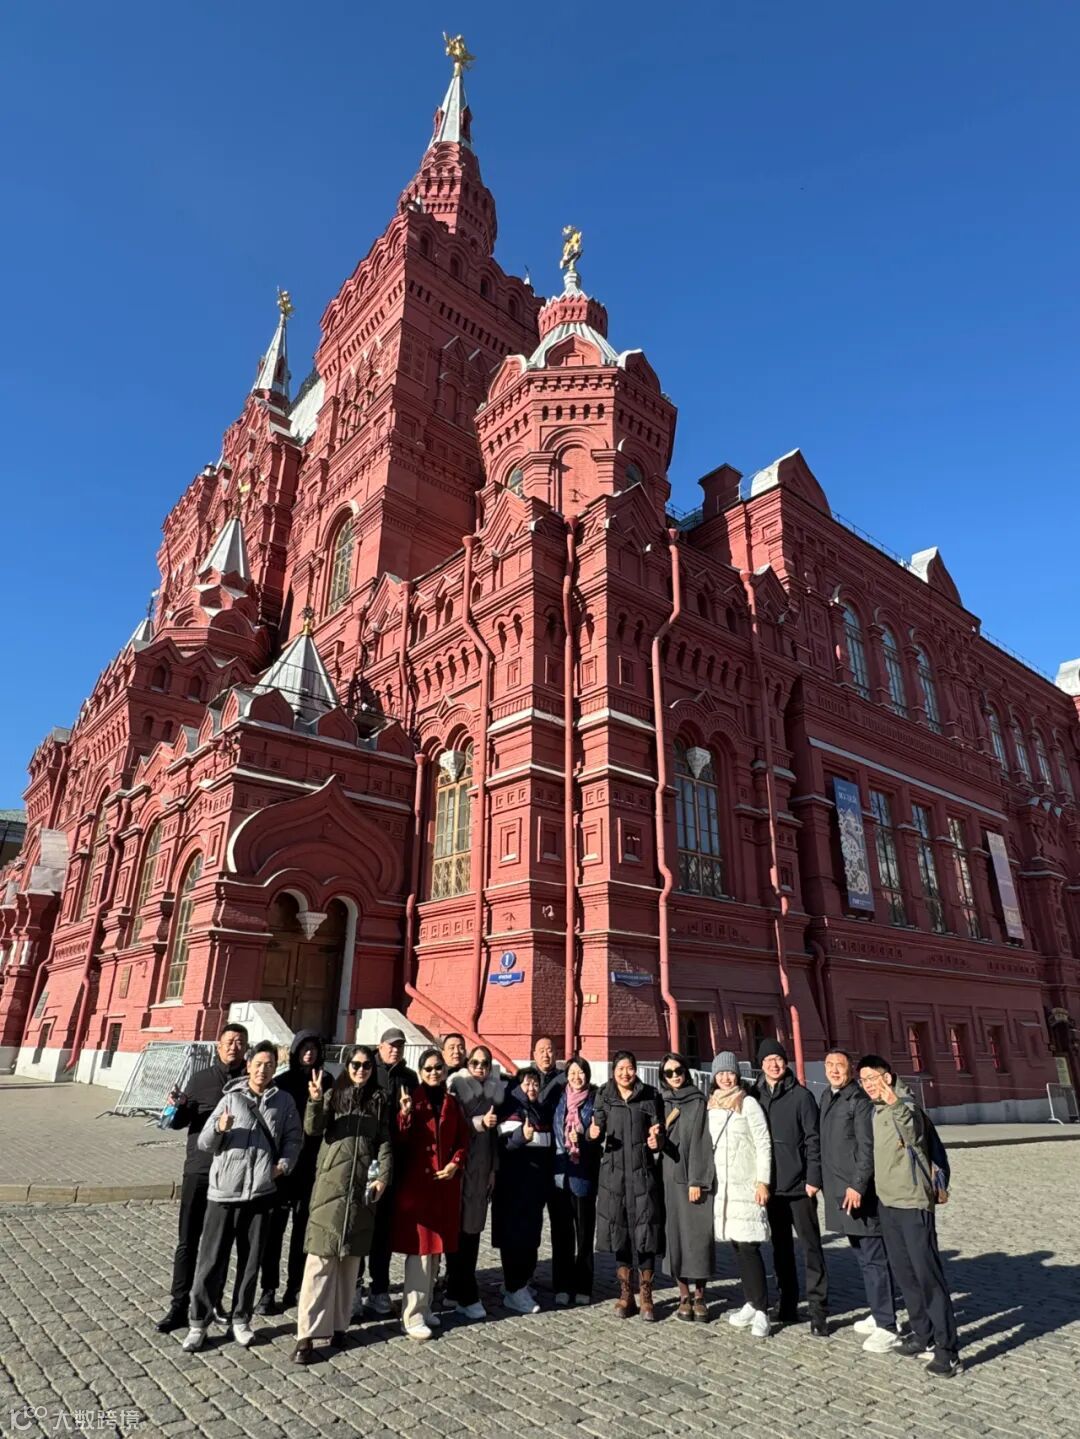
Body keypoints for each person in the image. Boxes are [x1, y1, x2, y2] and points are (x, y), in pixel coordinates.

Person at [181, 1040, 302, 1352]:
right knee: (210, 1261)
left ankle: (241, 1318)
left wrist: (283, 1166)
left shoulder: (283, 1101)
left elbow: (293, 1138)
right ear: (248, 1066)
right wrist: (219, 1128)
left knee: (251, 1262)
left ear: (276, 1068)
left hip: (261, 1192)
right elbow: (205, 1143)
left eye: (269, 1065)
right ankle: (198, 1322)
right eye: (258, 1064)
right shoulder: (231, 1099)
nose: (263, 1070)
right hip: (224, 1192)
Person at [858, 1055, 961, 1378]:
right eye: (863, 1080)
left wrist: (894, 1102)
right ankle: (922, 1333)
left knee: (927, 1275)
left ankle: (947, 1350)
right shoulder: (876, 1110)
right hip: (888, 1203)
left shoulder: (906, 1104)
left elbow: (913, 1131)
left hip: (913, 1202)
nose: (868, 1084)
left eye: (872, 1077)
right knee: (905, 1274)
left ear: (887, 1077)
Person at [292, 1045, 391, 1364]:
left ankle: (339, 1326)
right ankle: (306, 1335)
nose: (361, 1070)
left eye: (367, 1065)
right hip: (331, 1186)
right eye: (356, 1064)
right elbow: (313, 1128)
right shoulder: (333, 1095)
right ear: (347, 1066)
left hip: (362, 1188)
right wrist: (315, 1100)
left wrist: (384, 1176)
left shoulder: (380, 1100)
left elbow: (385, 1141)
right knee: (320, 1262)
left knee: (350, 1263)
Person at [157, 1021, 249, 1332]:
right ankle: (178, 1304)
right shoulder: (200, 1079)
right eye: (230, 1041)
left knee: (221, 1243)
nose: (234, 1046)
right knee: (188, 1240)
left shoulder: (250, 1081)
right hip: (199, 1169)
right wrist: (178, 1106)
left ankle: (213, 1301)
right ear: (218, 1044)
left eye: (240, 1042)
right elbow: (178, 1122)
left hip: (231, 1174)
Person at [819, 1049, 900, 1354]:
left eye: (839, 1065)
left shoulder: (859, 1100)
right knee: (863, 1255)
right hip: (841, 1190)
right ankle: (879, 1312)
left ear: (850, 1069)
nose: (834, 1070)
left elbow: (868, 1148)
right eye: (829, 1065)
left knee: (873, 1257)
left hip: (857, 1193)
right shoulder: (829, 1097)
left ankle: (887, 1325)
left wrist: (858, 1185)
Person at [391, 1046, 469, 1340]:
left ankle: (425, 1308)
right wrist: (405, 1114)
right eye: (429, 1069)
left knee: (436, 1252)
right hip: (419, 1186)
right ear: (420, 1072)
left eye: (439, 1068)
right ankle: (411, 1315)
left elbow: (462, 1139)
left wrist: (455, 1163)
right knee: (420, 1253)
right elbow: (400, 1139)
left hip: (444, 1185)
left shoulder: (451, 1102)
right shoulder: (412, 1099)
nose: (434, 1073)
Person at [753, 1039, 829, 1335]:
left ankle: (819, 1310)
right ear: (761, 1064)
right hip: (772, 1187)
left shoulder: (801, 1096)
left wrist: (813, 1179)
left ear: (785, 1063)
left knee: (811, 1249)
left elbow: (813, 1139)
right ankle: (787, 1302)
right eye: (768, 1060)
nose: (774, 1064)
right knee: (781, 1249)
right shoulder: (755, 1096)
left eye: (778, 1059)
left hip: (799, 1187)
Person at [257, 1030, 332, 1316]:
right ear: (295, 1051)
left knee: (303, 1230)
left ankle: (296, 1285)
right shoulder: (282, 1082)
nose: (309, 1054)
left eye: (313, 1048)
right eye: (304, 1048)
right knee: (274, 1231)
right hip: (282, 1166)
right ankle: (268, 1288)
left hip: (311, 1167)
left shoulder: (327, 1080)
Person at [589, 1050, 665, 1320]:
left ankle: (646, 1295)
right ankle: (625, 1293)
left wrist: (657, 1140)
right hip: (614, 1176)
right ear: (613, 1071)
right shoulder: (604, 1095)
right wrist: (592, 1134)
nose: (625, 1073)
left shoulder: (650, 1095)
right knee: (619, 1231)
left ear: (636, 1069)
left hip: (642, 1173)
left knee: (646, 1233)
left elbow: (659, 1131)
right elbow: (596, 1129)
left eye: (629, 1068)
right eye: (620, 1068)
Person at [708, 1052, 772, 1339]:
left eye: (730, 1073)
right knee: (737, 1246)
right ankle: (750, 1302)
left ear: (737, 1075)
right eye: (720, 1073)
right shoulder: (712, 1105)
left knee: (749, 1248)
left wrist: (763, 1182)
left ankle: (762, 1310)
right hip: (724, 1189)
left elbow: (763, 1143)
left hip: (746, 1186)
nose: (725, 1078)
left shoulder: (748, 1103)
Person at [355, 1027, 418, 1318]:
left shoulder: (409, 1078)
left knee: (384, 1229)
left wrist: (406, 1115)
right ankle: (354, 1288)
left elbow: (415, 1121)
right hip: (365, 1156)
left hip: (395, 1159)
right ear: (380, 1046)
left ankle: (379, 1289)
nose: (395, 1049)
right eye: (391, 1045)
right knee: (360, 1224)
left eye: (399, 1046)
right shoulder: (367, 1069)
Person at [446, 1045, 504, 1319]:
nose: (480, 1068)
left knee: (472, 1231)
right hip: (460, 1168)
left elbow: (494, 1138)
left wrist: (493, 1169)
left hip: (481, 1170)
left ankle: (457, 1288)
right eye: (475, 1063)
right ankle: (464, 1291)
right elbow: (452, 1126)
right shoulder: (456, 1088)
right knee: (457, 1230)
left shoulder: (493, 1092)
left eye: (485, 1064)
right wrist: (479, 1122)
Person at [658, 1052, 715, 1321]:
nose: (675, 1076)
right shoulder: (662, 1101)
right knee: (675, 1236)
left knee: (698, 1236)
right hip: (669, 1178)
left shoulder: (697, 1101)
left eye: (678, 1070)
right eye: (668, 1073)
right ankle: (683, 1294)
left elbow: (702, 1142)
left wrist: (698, 1180)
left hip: (693, 1178)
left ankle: (700, 1294)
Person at [492, 1065, 553, 1313]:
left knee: (530, 1237)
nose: (532, 1088)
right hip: (513, 1186)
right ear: (518, 1086)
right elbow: (502, 1145)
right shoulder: (510, 1108)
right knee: (514, 1238)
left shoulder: (539, 1110)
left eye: (536, 1084)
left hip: (534, 1188)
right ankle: (514, 1289)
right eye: (527, 1083)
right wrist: (521, 1136)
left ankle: (521, 1283)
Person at [551, 1056, 600, 1307]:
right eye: (572, 1073)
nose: (576, 1077)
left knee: (584, 1234)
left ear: (587, 1075)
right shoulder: (558, 1099)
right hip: (560, 1176)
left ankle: (583, 1285)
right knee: (561, 1235)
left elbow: (599, 1135)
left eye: (581, 1072)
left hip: (584, 1174)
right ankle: (562, 1284)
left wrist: (585, 1136)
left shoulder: (595, 1100)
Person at [530, 1034, 566, 1288]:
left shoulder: (565, 1080)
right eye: (541, 1050)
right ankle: (527, 1273)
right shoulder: (525, 1079)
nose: (546, 1054)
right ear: (534, 1054)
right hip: (533, 1162)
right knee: (531, 1222)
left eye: (550, 1050)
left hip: (558, 1159)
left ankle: (561, 1278)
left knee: (561, 1222)